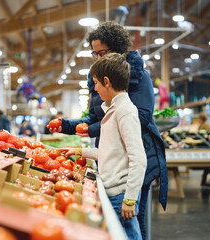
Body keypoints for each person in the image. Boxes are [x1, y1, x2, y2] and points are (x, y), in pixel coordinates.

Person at [49, 21, 168, 240]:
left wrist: (130, 198)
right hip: (114, 166)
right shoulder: (107, 98)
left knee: (134, 221)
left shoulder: (130, 97)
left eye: (102, 52)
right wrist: (67, 126)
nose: (98, 57)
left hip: (130, 168)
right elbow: (95, 118)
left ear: (117, 47)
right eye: (95, 53)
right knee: (122, 226)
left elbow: (139, 123)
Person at [60, 53, 146, 239]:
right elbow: (110, 152)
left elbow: (138, 159)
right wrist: (78, 151)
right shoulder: (113, 110)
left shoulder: (125, 112)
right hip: (114, 192)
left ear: (106, 81)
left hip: (121, 194)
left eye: (96, 83)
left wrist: (130, 199)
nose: (96, 88)